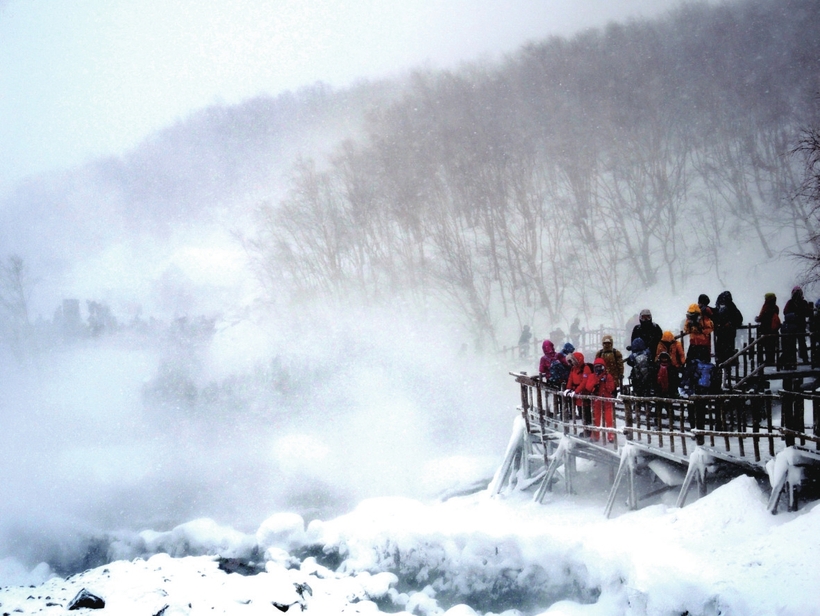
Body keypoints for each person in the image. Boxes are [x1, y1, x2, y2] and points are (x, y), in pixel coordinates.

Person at [581, 358, 616, 442]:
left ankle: (611, 436)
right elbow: (588, 387)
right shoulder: (592, 376)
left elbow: (611, 388)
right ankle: (595, 436)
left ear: (603, 367)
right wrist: (596, 381)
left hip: (607, 400)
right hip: (596, 400)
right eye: (596, 367)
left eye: (600, 367)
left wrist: (605, 381)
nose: (598, 369)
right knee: (595, 419)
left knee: (609, 419)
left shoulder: (608, 376)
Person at [781, 286, 811, 369]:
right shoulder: (803, 302)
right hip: (800, 325)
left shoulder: (790, 302)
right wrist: (800, 314)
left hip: (793, 326)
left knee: (792, 343)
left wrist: (794, 315)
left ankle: (793, 360)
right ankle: (804, 359)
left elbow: (785, 312)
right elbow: (808, 312)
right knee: (801, 343)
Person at [712, 291, 744, 366]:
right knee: (724, 351)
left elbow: (738, 319)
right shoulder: (730, 307)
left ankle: (725, 365)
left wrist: (730, 323)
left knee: (725, 351)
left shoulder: (731, 308)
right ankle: (724, 364)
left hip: (726, 333)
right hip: (724, 333)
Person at [755, 293, 781, 367]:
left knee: (764, 345)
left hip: (765, 328)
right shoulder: (776, 307)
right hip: (773, 329)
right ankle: (771, 360)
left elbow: (761, 317)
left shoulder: (766, 307)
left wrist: (757, 319)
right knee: (771, 346)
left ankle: (764, 361)